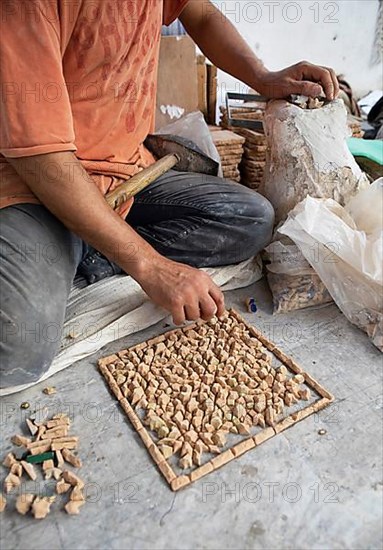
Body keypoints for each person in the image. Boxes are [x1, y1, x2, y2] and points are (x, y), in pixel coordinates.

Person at [0, 0, 339, 387]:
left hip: (129, 172)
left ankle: (92, 248)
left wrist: (263, 78)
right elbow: (43, 158)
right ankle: (79, 242)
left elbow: (200, 14)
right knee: (17, 349)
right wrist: (149, 266)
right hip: (38, 183)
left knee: (252, 219)